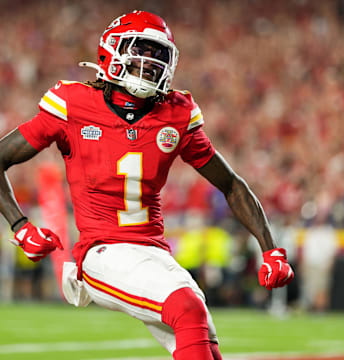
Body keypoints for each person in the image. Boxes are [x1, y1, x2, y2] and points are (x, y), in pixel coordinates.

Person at [0, 10, 294, 360]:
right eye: (142, 50)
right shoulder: (74, 104)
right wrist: (19, 226)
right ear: (112, 53)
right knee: (187, 309)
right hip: (102, 253)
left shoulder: (177, 113)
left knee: (205, 341)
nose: (152, 62)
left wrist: (270, 248)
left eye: (159, 54)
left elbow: (231, 184)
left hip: (154, 253)